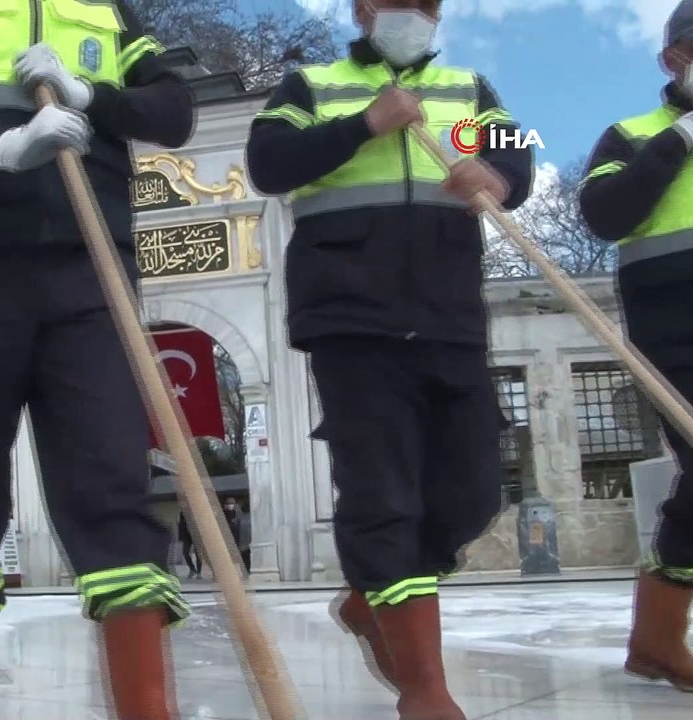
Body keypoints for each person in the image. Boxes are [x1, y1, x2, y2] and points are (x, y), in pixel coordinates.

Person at [0, 0, 195, 714]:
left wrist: (90, 96)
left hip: (90, 263)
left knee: (113, 485)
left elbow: (174, 110)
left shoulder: (109, 11)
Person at [244, 0, 533, 717]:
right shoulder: (311, 85)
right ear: (363, 9)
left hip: (450, 316)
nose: (414, 13)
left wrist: (496, 179)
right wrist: (365, 123)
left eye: (427, 3)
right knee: (384, 498)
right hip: (350, 317)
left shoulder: (470, 89)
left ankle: (371, 593)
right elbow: (268, 163)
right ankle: (424, 688)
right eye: (397, 2)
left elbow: (517, 153)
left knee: (472, 493)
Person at [577, 0, 693, 692]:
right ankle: (656, 636)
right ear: (673, 59)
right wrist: (680, 138)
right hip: (673, 324)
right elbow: (605, 214)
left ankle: (655, 639)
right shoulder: (629, 133)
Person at [177, 511, 202, 579]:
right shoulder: (183, 512)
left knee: (198, 554)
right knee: (185, 552)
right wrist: (180, 537)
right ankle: (192, 569)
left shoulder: (196, 510)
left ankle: (199, 572)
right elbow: (180, 524)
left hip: (197, 535)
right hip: (186, 536)